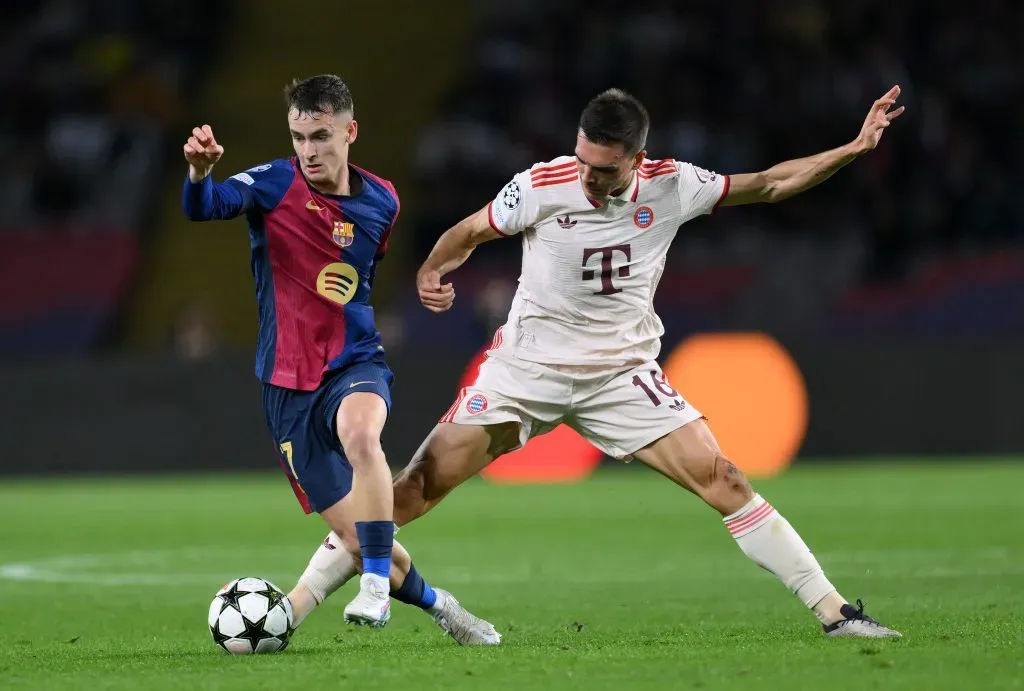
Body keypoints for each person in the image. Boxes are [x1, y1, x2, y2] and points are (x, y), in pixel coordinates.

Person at [394, 86, 907, 638]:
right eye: (583, 161)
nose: (588, 178)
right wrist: (430, 270)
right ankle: (297, 606)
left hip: (620, 375)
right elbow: (470, 230)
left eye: (605, 170)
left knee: (725, 479)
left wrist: (853, 149)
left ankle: (835, 614)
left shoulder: (673, 184)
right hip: (528, 368)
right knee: (413, 487)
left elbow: (771, 183)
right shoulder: (542, 184)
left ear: (637, 160)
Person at [181, 74, 499, 645]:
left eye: (321, 136)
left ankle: (375, 586)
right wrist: (201, 172)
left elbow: (361, 276)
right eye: (299, 137)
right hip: (286, 385)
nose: (308, 151)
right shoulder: (274, 185)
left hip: (356, 361)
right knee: (357, 537)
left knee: (361, 435)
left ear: (349, 132)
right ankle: (440, 604)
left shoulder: (383, 199)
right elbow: (206, 207)